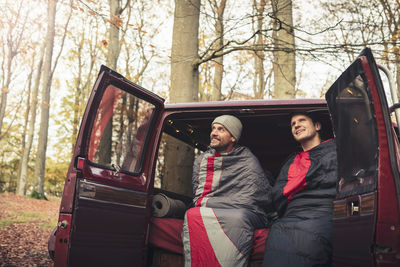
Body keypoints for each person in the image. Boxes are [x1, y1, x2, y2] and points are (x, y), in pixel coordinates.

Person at [182, 115, 272, 267]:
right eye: (213, 129)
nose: (214, 133)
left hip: (244, 211)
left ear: (233, 138)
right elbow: (199, 197)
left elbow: (253, 198)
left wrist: (212, 202)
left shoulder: (247, 160)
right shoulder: (202, 160)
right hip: (212, 208)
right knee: (192, 214)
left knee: (238, 218)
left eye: (221, 129)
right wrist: (212, 203)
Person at [263, 111, 337, 267]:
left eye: (301, 120)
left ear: (317, 126)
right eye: (293, 124)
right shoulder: (291, 161)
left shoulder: (335, 151)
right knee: (277, 230)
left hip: (323, 211)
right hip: (293, 213)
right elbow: (278, 193)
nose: (296, 125)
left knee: (309, 236)